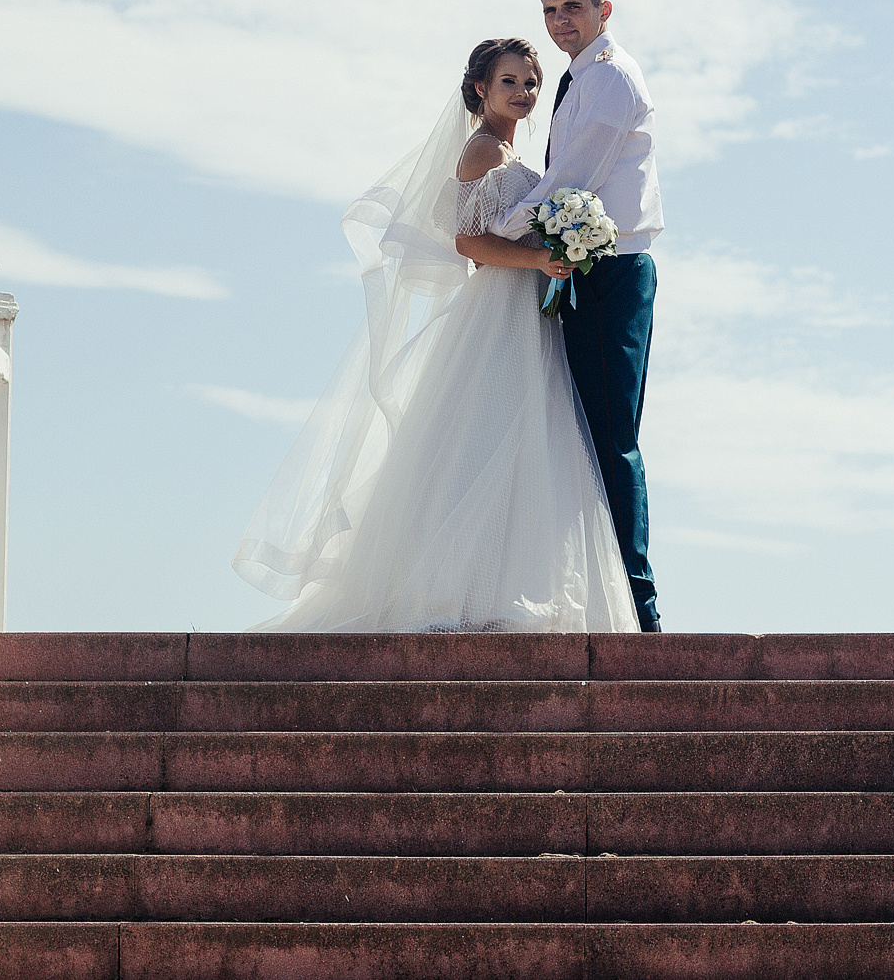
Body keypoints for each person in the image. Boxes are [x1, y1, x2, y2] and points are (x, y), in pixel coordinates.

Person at [231, 37, 639, 633]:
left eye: (530, 82)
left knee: (524, 443)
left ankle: (503, 584)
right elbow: (467, 242)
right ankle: (460, 592)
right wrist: (540, 262)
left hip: (528, 307)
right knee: (488, 439)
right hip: (500, 306)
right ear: (480, 89)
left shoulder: (510, 152)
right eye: (510, 82)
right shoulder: (481, 152)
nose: (524, 93)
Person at [485, 0, 663, 632]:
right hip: (580, 268)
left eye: (572, 8)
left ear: (603, 10)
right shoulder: (577, 77)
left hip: (612, 271)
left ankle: (637, 607)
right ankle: (594, 597)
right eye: (550, 9)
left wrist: (497, 225)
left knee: (610, 436)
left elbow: (572, 177)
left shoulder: (611, 77)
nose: (561, 21)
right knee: (578, 436)